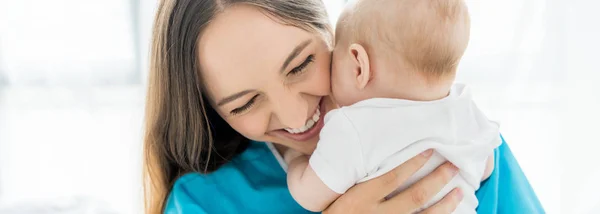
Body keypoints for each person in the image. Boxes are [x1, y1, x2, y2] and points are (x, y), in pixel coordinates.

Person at [142, 0, 544, 213]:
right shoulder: (202, 204)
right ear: (210, 110)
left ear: (331, 31)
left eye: (301, 65)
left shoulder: (464, 139)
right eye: (245, 103)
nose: (297, 117)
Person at [285, 0, 499, 213]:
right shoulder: (466, 108)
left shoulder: (353, 127)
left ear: (358, 66)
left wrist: (295, 161)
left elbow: (310, 196)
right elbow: (486, 168)